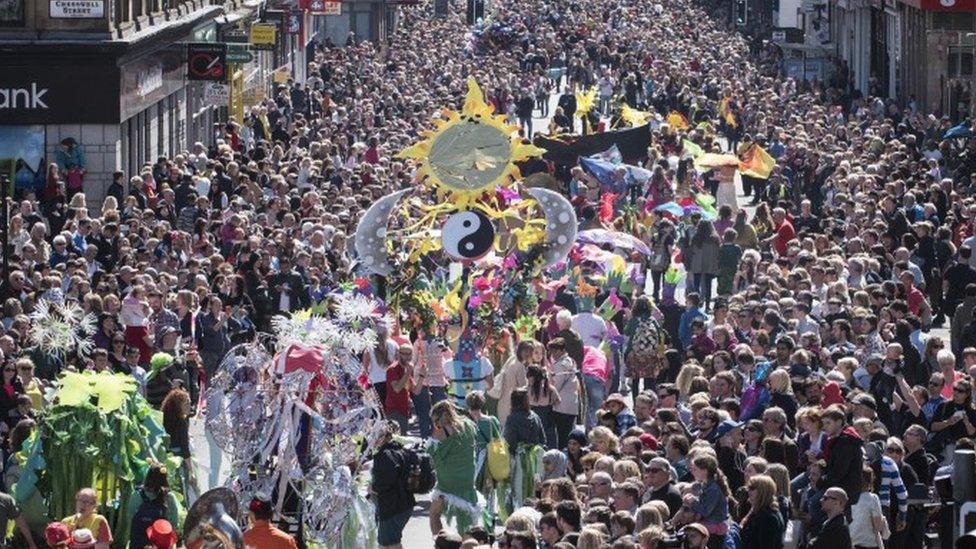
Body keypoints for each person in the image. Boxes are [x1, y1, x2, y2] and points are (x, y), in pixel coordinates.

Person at [428, 400, 479, 534]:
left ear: (443, 416)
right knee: (466, 520)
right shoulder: (469, 424)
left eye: (436, 421)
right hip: (467, 479)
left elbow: (433, 453)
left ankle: (441, 541)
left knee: (434, 514)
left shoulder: (444, 431)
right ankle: (466, 541)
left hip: (448, 481)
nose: (436, 425)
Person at [371, 422, 415, 549]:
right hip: (403, 504)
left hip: (392, 507)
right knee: (388, 542)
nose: (372, 440)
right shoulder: (399, 450)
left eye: (375, 436)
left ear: (383, 437)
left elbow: (386, 481)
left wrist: (373, 487)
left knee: (389, 543)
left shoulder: (385, 455)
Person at [126, 463, 183, 549]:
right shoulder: (169, 497)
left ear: (148, 476)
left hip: (138, 543)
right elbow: (174, 522)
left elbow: (130, 518)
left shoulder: (137, 495)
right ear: (165, 478)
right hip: (161, 544)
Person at [739, 474, 785, 549]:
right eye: (748, 487)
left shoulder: (768, 518)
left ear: (763, 491)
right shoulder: (757, 511)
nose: (748, 491)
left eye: (752, 488)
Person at [849, 467, 886, 549]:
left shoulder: (848, 498)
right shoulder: (872, 498)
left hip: (851, 543)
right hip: (868, 544)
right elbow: (878, 526)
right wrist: (883, 520)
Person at [384, 345, 413, 435]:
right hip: (394, 410)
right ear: (399, 354)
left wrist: (422, 376)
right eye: (404, 354)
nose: (407, 357)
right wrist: (408, 373)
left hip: (404, 409)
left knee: (403, 438)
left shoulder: (406, 369)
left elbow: (416, 390)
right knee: (397, 439)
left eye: (409, 354)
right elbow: (397, 388)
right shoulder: (392, 369)